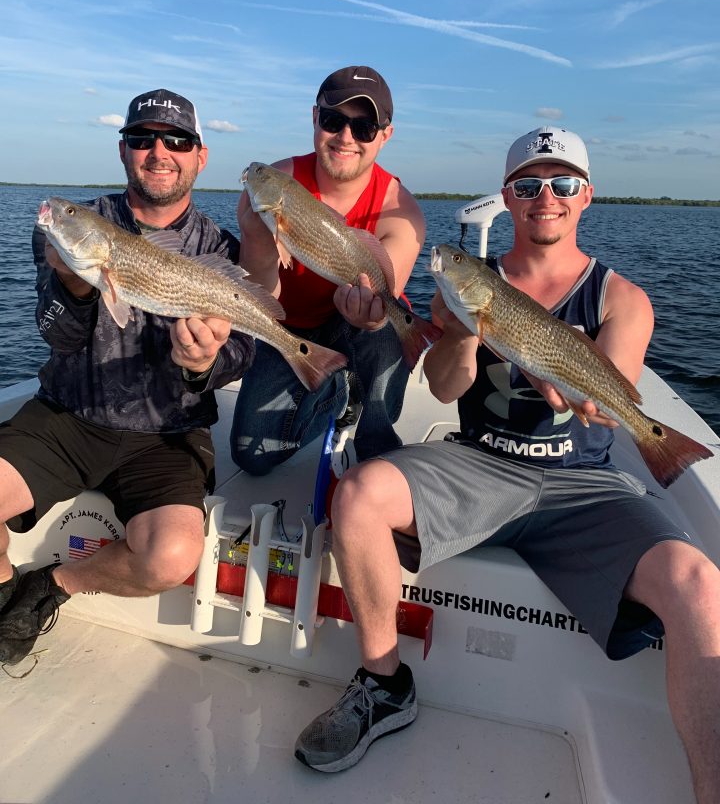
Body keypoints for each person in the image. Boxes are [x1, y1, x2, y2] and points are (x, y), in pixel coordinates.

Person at [293, 125, 720, 803]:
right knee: (359, 495)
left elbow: (611, 395)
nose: (545, 196)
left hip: (584, 482)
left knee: (698, 583)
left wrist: (579, 386)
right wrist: (463, 335)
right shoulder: (469, 286)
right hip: (481, 462)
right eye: (528, 185)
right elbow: (444, 389)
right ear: (507, 197)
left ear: (586, 196)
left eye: (562, 183)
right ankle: (384, 683)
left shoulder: (623, 298)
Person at [0, 88, 255, 665]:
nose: (159, 152)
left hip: (168, 432)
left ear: (200, 155)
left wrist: (205, 364)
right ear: (123, 151)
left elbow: (242, 353)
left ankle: (51, 586)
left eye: (177, 141)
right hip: (69, 414)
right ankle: (4, 593)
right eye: (142, 139)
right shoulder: (70, 226)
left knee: (171, 557)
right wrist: (72, 285)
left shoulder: (220, 249)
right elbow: (55, 334)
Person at [231, 65, 427, 474]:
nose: (346, 137)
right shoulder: (280, 178)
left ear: (385, 135)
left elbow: (385, 295)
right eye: (333, 120)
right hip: (291, 325)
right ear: (315, 117)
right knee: (251, 457)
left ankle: (375, 436)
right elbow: (260, 298)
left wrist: (373, 319)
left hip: (360, 326)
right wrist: (256, 239)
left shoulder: (402, 211)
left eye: (364, 128)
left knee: (386, 330)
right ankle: (338, 391)